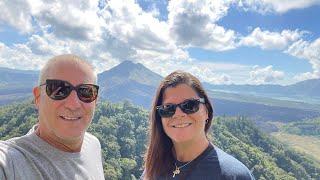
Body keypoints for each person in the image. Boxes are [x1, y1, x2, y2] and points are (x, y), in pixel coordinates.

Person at [0, 54, 105, 180]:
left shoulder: (93, 144)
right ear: (38, 97)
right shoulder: (12, 161)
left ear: (95, 101)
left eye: (86, 92)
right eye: (59, 89)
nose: (73, 104)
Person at [142, 71, 255, 180]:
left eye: (190, 105)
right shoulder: (154, 168)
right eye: (168, 108)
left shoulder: (233, 175)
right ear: (159, 118)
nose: (178, 114)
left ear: (206, 111)